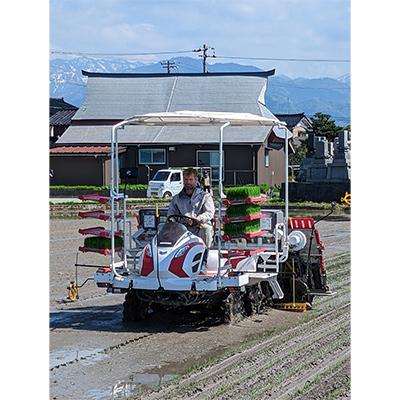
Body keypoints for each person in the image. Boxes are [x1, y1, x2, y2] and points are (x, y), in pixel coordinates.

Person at [167, 168, 215, 247]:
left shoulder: (205, 196)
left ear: (196, 180)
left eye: (190, 179)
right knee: (162, 227)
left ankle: (204, 253)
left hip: (199, 226)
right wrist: (172, 221)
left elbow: (209, 213)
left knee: (206, 229)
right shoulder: (176, 198)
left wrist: (198, 219)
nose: (188, 182)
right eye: (186, 179)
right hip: (182, 228)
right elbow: (171, 214)